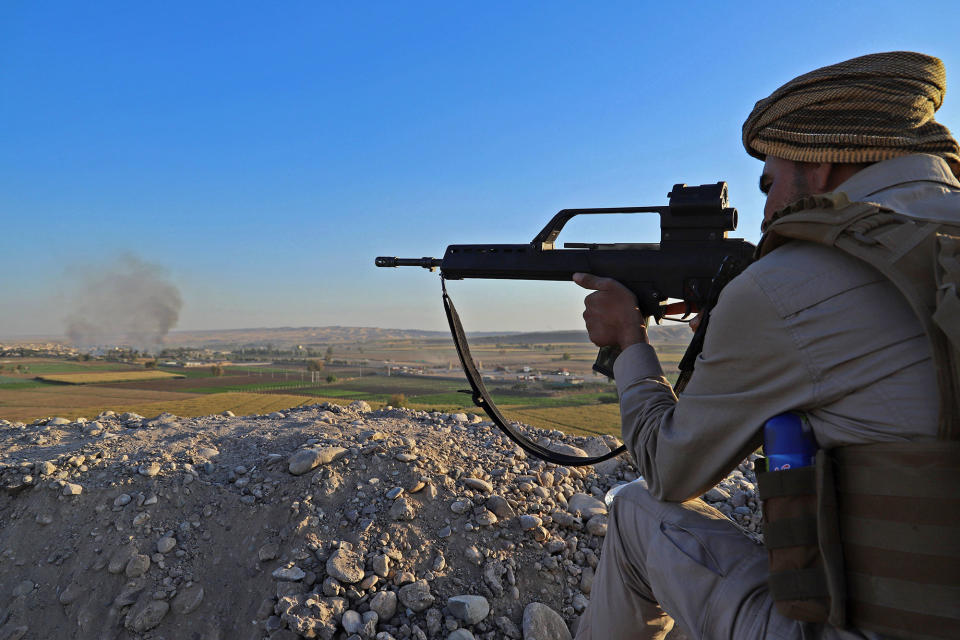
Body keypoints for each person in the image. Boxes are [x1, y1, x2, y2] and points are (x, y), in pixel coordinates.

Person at [570, 51, 960, 640]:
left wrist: (628, 339)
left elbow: (672, 472)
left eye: (769, 183)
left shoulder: (794, 280)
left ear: (824, 162)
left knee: (633, 510)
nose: (767, 213)